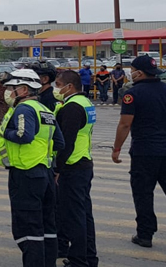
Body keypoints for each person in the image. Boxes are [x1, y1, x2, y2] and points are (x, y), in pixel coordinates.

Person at [0, 68, 65, 267]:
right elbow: (59, 142)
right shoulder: (44, 110)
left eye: (12, 88)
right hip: (45, 174)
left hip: (26, 174)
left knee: (28, 228)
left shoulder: (24, 109)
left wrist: (6, 132)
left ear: (24, 90)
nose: (9, 92)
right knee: (47, 226)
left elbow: (24, 136)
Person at [111, 55, 166, 248]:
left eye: (132, 70)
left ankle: (145, 235)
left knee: (143, 194)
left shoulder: (132, 94)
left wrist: (116, 149)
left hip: (144, 152)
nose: (130, 73)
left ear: (139, 73)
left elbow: (125, 124)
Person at [54, 70, 98, 267]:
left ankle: (79, 260)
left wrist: (57, 169)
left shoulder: (72, 107)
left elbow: (66, 142)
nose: (56, 88)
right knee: (84, 214)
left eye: (58, 84)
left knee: (74, 216)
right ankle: (89, 257)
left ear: (69, 86)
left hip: (72, 166)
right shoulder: (86, 103)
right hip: (84, 163)